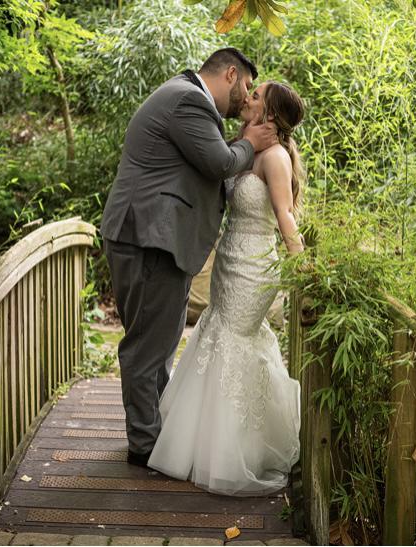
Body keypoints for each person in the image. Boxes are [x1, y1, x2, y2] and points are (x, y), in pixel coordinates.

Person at [100, 48, 279, 467]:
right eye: (247, 86)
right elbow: (219, 162)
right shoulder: (189, 101)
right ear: (230, 74)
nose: (246, 96)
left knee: (159, 343)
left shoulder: (186, 97)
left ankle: (156, 437)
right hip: (149, 239)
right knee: (147, 348)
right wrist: (251, 143)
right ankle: (144, 446)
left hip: (157, 239)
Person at [148, 81, 306, 496]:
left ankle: (235, 452)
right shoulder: (244, 149)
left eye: (256, 96)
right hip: (229, 258)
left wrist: (306, 268)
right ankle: (201, 446)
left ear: (270, 114)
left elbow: (285, 216)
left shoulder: (275, 157)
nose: (246, 98)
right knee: (218, 333)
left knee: (235, 339)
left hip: (255, 265)